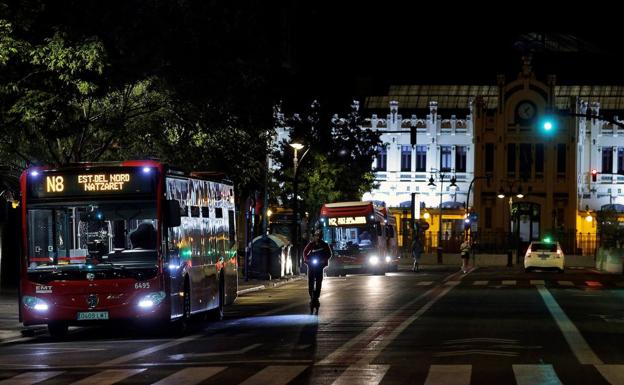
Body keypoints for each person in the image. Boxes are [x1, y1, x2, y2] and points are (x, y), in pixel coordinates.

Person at [303, 229, 332, 314]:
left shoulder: (324, 245)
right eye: (316, 236)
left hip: (320, 265)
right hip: (311, 265)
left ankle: (317, 296)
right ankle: (311, 295)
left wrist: (324, 260)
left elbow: (329, 254)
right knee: (311, 281)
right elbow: (305, 252)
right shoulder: (311, 245)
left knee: (319, 281)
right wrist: (307, 260)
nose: (317, 238)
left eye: (319, 236)